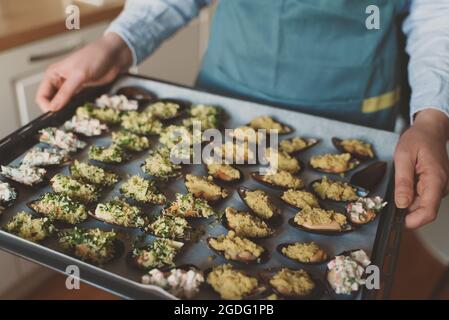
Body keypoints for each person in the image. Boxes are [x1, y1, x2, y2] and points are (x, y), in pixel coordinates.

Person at [36, 0, 449, 229]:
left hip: (349, 106)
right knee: (202, 226)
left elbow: (436, 14)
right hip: (228, 98)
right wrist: (117, 42)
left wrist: (432, 117)